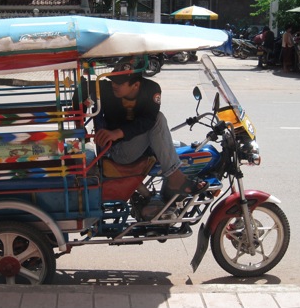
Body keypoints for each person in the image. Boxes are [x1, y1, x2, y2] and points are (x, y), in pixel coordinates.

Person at [75, 57, 208, 204]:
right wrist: (78, 121)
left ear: (136, 85)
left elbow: (147, 120)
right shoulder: (107, 89)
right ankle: (175, 178)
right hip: (120, 150)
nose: (114, 85)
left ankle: (166, 199)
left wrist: (117, 132)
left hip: (143, 144)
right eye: (113, 80)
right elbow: (81, 88)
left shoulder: (151, 90)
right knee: (159, 119)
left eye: (119, 83)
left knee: (183, 148)